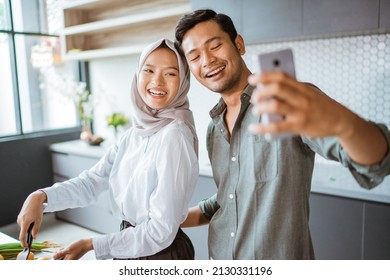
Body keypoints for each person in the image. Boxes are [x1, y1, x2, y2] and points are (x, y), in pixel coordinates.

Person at [175, 9, 390, 259]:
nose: (207, 61)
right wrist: (165, 223)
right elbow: (226, 199)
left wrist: (343, 122)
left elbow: (377, 163)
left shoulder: (286, 102)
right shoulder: (215, 128)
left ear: (239, 44)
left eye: (214, 46)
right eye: (195, 57)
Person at [16, 38, 199, 260]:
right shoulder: (133, 134)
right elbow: (92, 182)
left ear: (183, 82)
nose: (157, 81)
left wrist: (92, 244)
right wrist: (41, 196)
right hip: (131, 243)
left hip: (162, 254)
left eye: (170, 73)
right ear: (138, 75)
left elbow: (160, 231)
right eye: (149, 70)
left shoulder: (175, 135)